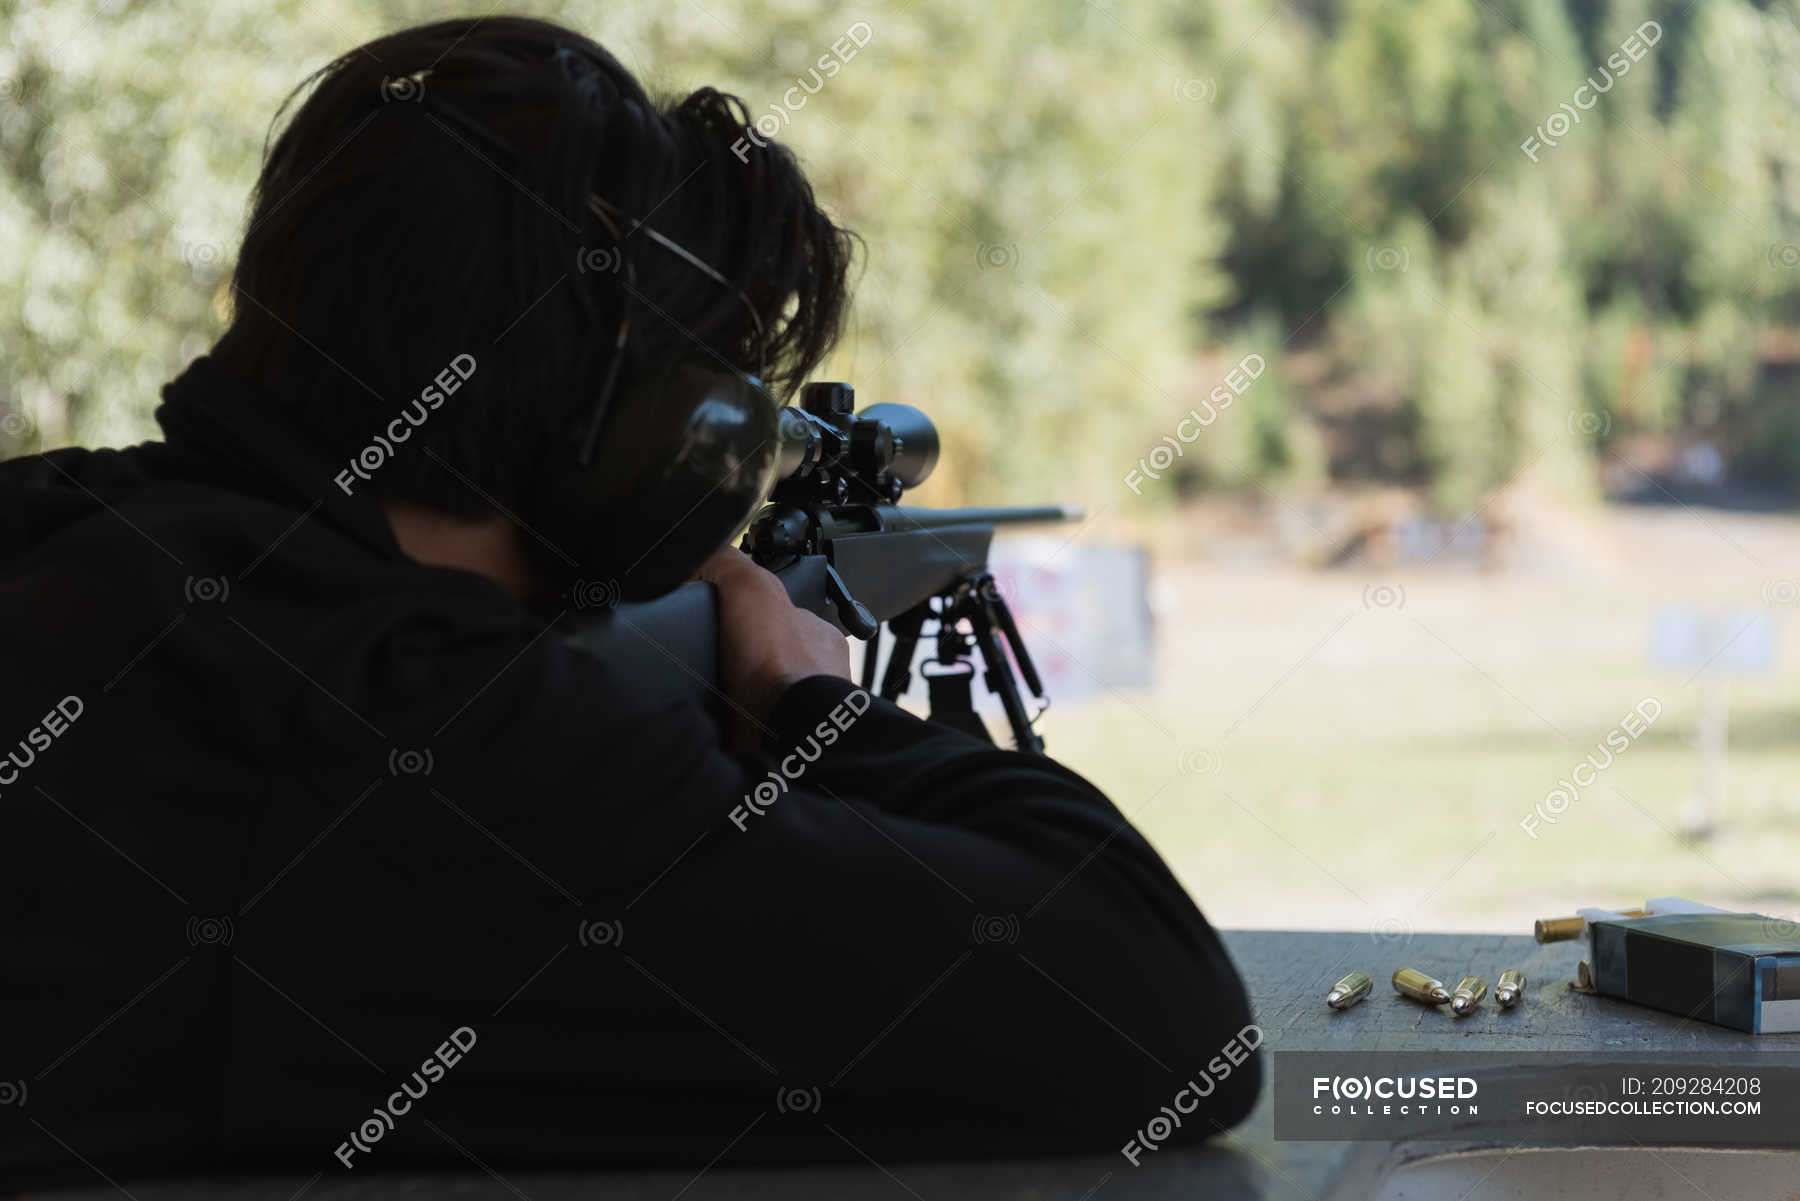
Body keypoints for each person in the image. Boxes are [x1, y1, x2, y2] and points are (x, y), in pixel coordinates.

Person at [0, 16, 1258, 1185]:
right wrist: (811, 700)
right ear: (655, 441)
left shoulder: (61, 526)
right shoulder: (422, 718)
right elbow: (1157, 1011)